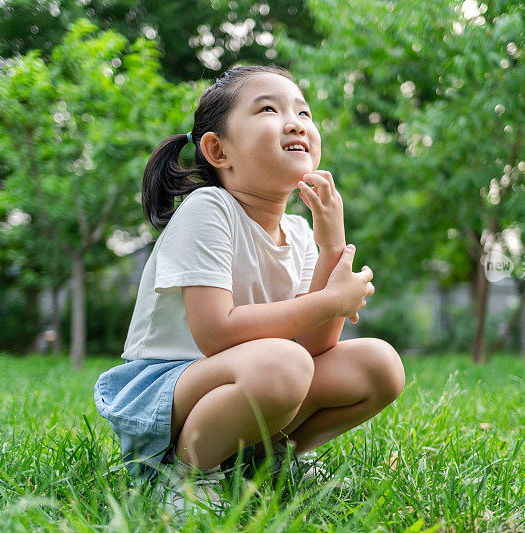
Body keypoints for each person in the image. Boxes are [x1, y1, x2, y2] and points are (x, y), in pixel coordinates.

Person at [93, 65, 405, 513]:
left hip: (256, 376)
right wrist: (332, 299)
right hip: (166, 392)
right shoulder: (208, 209)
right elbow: (216, 333)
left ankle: (269, 460)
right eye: (268, 109)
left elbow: (317, 345)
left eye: (303, 111)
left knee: (379, 365)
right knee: (284, 362)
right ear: (218, 150)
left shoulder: (297, 232)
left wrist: (330, 242)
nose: (296, 121)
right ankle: (183, 474)